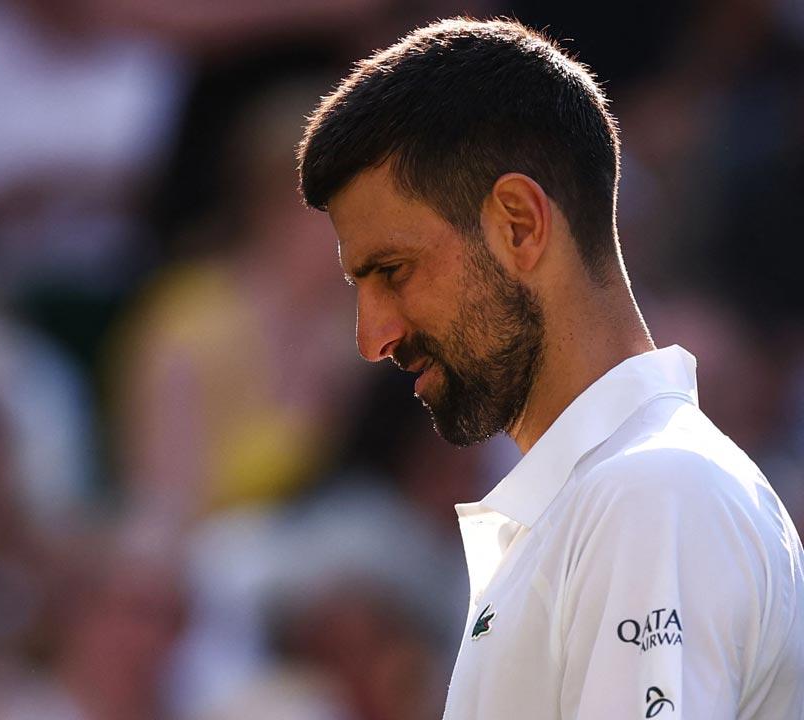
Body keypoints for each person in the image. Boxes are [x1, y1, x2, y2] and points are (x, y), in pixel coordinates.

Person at [296, 17, 804, 719]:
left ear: (520, 224)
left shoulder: (647, 491)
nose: (372, 337)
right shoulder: (613, 495)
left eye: (393, 271)